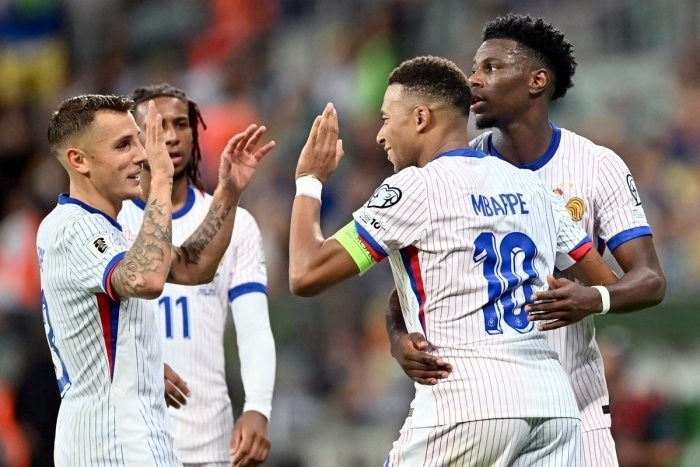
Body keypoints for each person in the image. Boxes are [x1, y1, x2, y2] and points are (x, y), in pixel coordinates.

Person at [289, 56, 619, 466]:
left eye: (386, 119)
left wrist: (309, 180)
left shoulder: (415, 188)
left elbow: (305, 273)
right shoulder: (531, 186)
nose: (380, 135)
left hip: (465, 398)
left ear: (421, 118)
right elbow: (606, 282)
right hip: (553, 404)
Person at [385, 13, 667, 467]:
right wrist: (399, 338)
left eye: (491, 68)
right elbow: (411, 285)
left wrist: (593, 298)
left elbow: (650, 280)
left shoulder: (596, 166)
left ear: (537, 80)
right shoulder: (457, 169)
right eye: (474, 68)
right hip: (482, 408)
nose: (474, 80)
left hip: (575, 406)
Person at [37, 94, 273, 466]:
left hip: (130, 439)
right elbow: (147, 279)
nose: (143, 155)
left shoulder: (110, 232)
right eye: (123, 145)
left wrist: (228, 191)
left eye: (139, 141)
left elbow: (194, 266)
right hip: (112, 446)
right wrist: (161, 179)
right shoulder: (75, 229)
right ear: (79, 160)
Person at [117, 83, 276, 467]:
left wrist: (257, 407)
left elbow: (253, 327)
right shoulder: (113, 222)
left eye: (181, 124)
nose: (171, 136)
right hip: (128, 440)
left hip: (209, 443)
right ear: (135, 140)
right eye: (157, 127)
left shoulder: (237, 224)